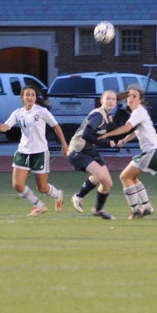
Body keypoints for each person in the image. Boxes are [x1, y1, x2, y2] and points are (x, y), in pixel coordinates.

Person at [0, 85, 69, 217]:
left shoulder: (41, 111)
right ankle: (39, 206)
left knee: (42, 188)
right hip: (23, 152)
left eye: (33, 95)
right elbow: (7, 126)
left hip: (40, 152)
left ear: (35, 97)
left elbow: (56, 126)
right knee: (17, 184)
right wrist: (0, 127)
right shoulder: (18, 113)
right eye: (27, 95)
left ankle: (58, 195)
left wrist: (64, 144)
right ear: (22, 97)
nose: (30, 97)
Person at [101, 86, 157, 219]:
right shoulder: (139, 112)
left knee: (125, 177)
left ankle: (135, 210)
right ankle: (147, 207)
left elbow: (126, 128)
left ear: (140, 100)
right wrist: (124, 140)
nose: (131, 98)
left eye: (135, 96)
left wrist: (107, 134)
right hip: (156, 151)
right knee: (132, 178)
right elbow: (136, 131)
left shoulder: (138, 112)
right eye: (129, 95)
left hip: (152, 151)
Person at [68, 90, 118, 220]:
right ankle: (78, 197)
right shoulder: (98, 115)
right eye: (108, 98)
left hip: (90, 149)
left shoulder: (109, 116)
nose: (110, 101)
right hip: (78, 150)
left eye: (113, 99)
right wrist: (106, 143)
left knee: (108, 183)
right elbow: (86, 135)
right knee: (101, 176)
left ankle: (98, 209)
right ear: (101, 101)